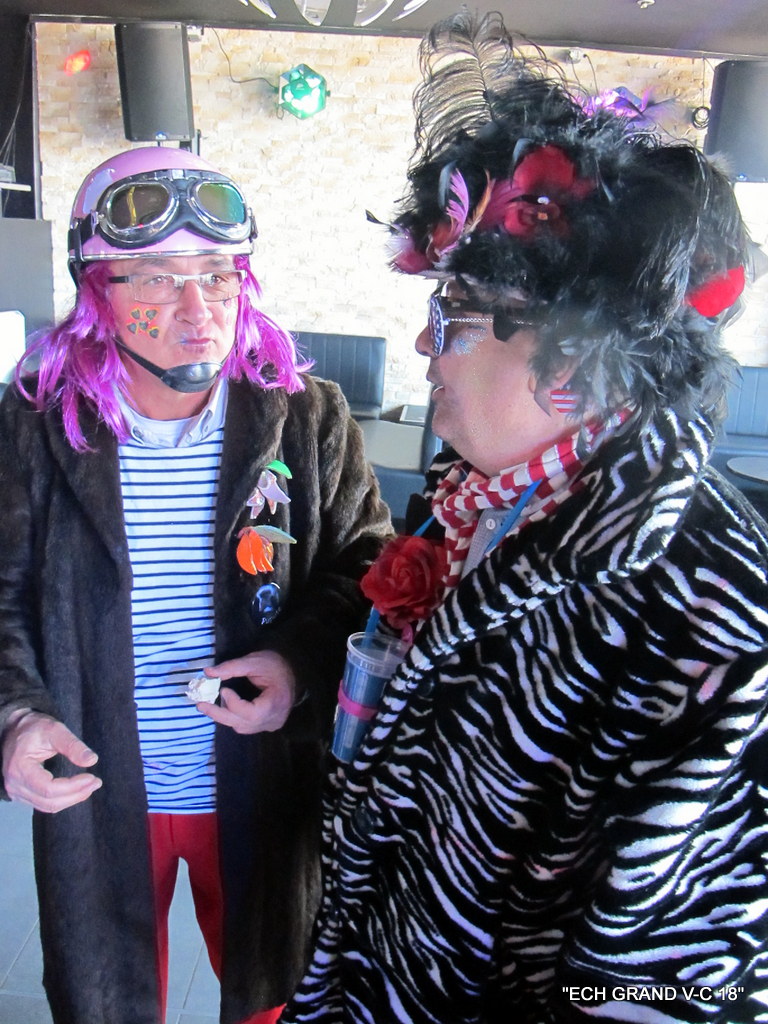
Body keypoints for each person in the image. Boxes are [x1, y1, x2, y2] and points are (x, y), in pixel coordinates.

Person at [283, 13, 768, 1024]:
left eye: (457, 315)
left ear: (588, 353)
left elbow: (673, 986)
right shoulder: (475, 496)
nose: (425, 343)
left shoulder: (711, 612)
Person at [0, 145, 391, 1024]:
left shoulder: (307, 415)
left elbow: (367, 568)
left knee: (277, 1000)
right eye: (157, 279)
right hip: (97, 787)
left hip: (258, 785)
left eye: (218, 276)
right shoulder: (33, 426)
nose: (198, 309)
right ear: (96, 290)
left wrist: (294, 666)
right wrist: (14, 716)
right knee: (105, 1004)